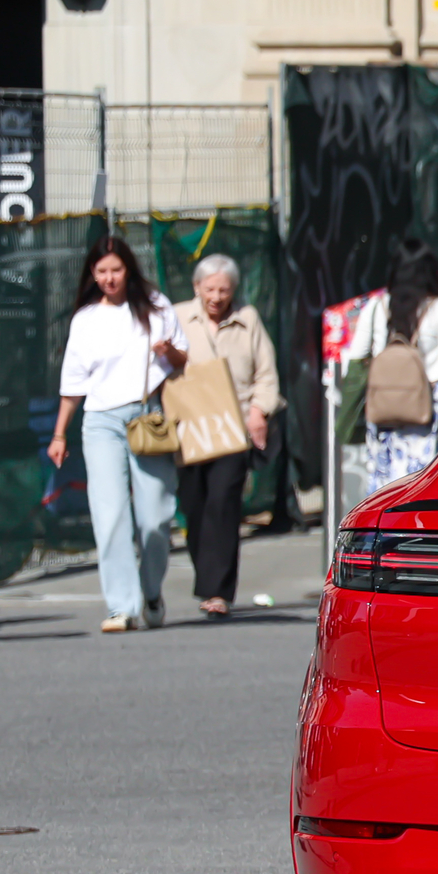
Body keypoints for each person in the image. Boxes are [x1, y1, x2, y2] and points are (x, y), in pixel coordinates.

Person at [47, 236, 189, 634]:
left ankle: (151, 592)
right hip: (100, 422)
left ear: (129, 269)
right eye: (102, 271)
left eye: (116, 270)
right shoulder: (85, 319)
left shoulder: (157, 307)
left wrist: (167, 351)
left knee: (156, 518)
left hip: (149, 419)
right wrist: (59, 433)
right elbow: (73, 382)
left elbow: (183, 360)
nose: (109, 278)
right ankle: (121, 607)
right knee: (110, 515)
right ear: (92, 274)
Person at [174, 253, 282, 621]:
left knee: (223, 503)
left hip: (233, 428)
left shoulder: (248, 319)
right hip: (189, 428)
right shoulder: (177, 317)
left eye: (224, 290)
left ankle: (217, 591)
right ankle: (207, 576)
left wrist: (258, 412)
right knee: (194, 505)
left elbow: (266, 373)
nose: (216, 297)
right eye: (210, 289)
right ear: (196, 288)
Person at [348, 245, 438, 491]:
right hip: (428, 409)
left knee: (386, 488)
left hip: (385, 408)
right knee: (423, 488)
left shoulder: (377, 307)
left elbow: (356, 354)